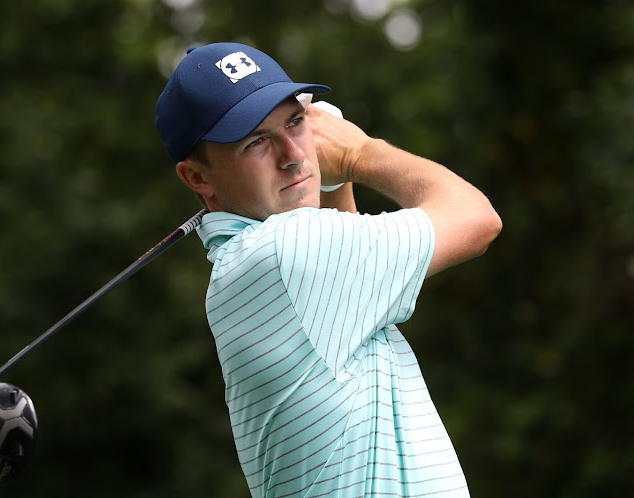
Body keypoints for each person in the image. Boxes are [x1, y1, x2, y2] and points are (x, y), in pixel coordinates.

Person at [155, 42, 502, 498]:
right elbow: (477, 219)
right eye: (256, 141)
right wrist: (360, 153)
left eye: (295, 122)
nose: (293, 155)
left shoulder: (258, 262)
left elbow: (345, 262)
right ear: (198, 178)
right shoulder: (285, 253)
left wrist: (335, 181)